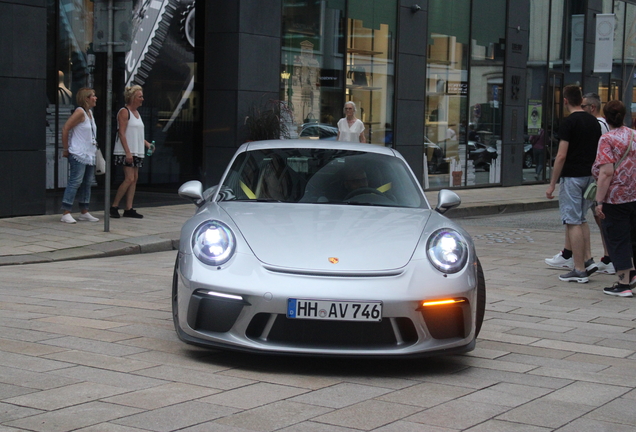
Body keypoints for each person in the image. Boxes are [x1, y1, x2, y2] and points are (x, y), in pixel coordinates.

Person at [545, 93, 615, 275]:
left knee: (574, 221)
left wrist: (552, 182)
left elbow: (561, 155)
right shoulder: (594, 123)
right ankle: (587, 259)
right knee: (583, 219)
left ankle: (579, 267)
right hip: (590, 176)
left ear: (566, 101)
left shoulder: (571, 122)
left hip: (574, 177)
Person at [592, 100, 636, 297]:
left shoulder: (607, 139)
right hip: (634, 195)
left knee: (617, 239)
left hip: (615, 198)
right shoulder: (635, 135)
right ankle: (633, 274)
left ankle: (623, 283)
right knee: (633, 238)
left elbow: (606, 172)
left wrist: (599, 201)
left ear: (606, 117)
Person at [110, 85, 152, 219]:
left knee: (134, 179)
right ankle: (114, 206)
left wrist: (147, 144)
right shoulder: (124, 111)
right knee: (129, 178)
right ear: (133, 98)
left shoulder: (137, 114)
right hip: (127, 150)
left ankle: (129, 207)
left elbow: (137, 133)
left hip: (137, 150)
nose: (142, 99)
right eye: (140, 97)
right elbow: (122, 133)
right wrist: (127, 152)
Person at [60, 88, 100, 224]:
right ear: (86, 98)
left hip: (89, 153)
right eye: (93, 96)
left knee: (87, 182)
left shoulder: (89, 113)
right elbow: (65, 128)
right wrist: (66, 148)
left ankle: (84, 210)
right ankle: (66, 211)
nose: (95, 98)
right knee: (75, 181)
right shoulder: (80, 112)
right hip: (79, 152)